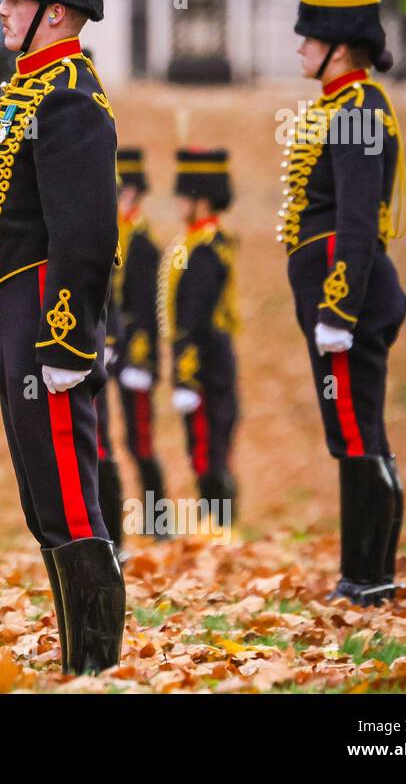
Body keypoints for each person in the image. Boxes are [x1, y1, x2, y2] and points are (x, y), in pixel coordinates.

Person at [0, 0, 124, 674]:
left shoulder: (68, 96)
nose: (0, 7)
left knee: (70, 504)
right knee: (45, 507)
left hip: (45, 323)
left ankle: (96, 668)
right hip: (16, 315)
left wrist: (67, 341)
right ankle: (79, 661)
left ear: (53, 13)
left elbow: (87, 233)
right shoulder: (32, 86)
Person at [281, 0, 406, 606]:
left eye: (310, 37)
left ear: (340, 46)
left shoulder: (358, 110)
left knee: (359, 436)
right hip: (338, 302)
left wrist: (337, 308)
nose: (299, 48)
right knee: (354, 434)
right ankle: (364, 573)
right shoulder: (340, 107)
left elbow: (357, 223)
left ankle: (368, 579)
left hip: (347, 304)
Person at [162, 148, 240, 528]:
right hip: (205, 361)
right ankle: (216, 525)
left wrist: (186, 375)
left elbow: (195, 320)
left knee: (210, 452)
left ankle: (220, 528)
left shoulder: (206, 249)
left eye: (184, 196)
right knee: (201, 450)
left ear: (201, 200)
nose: (178, 203)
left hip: (207, 364)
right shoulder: (197, 242)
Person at [111, 147, 168, 538]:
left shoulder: (144, 242)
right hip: (105, 346)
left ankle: (158, 522)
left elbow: (148, 309)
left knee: (140, 442)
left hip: (134, 352)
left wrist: (142, 362)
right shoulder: (107, 233)